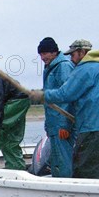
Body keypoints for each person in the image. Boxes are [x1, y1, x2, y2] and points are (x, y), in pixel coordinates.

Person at [29, 39, 99, 179]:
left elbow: (66, 94)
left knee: (86, 170)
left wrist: (42, 95)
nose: (71, 59)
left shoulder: (85, 68)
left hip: (93, 126)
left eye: (73, 55)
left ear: (82, 52)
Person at [36, 37, 76, 177]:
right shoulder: (50, 67)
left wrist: (65, 125)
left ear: (54, 52)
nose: (42, 57)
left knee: (65, 160)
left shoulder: (63, 67)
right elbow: (49, 102)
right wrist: (48, 126)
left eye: (45, 53)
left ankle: (67, 190)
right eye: (40, 54)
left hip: (62, 126)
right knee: (57, 160)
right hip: (54, 125)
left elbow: (68, 96)